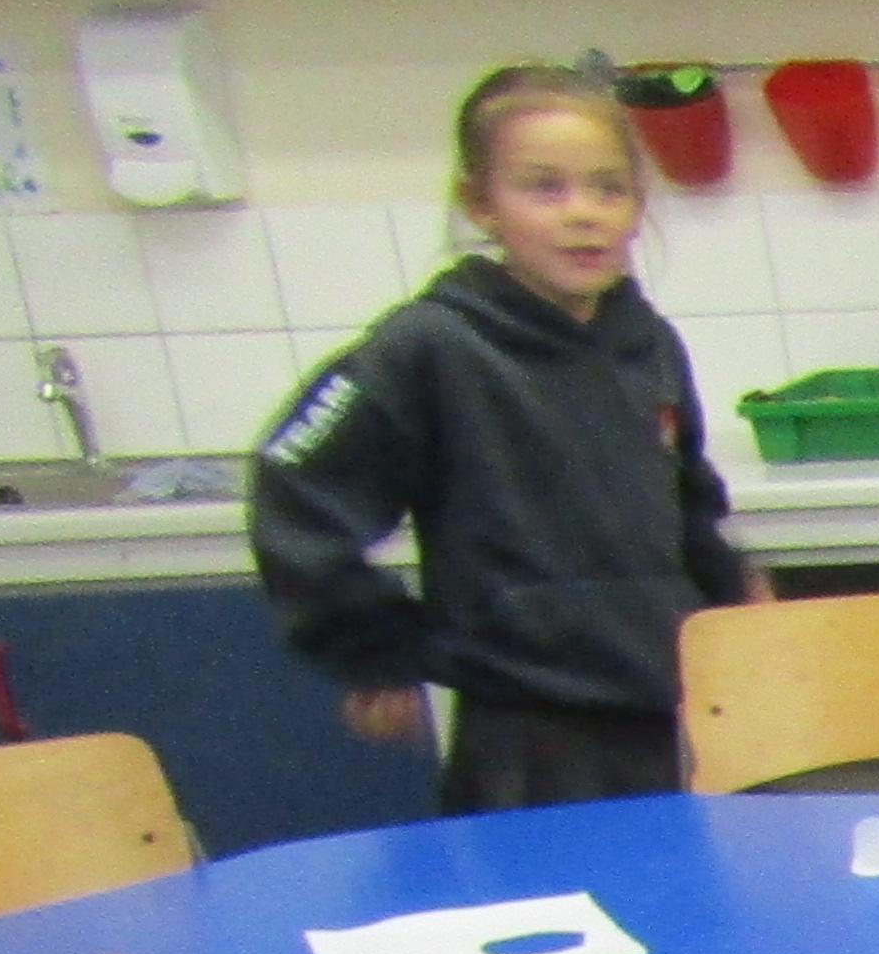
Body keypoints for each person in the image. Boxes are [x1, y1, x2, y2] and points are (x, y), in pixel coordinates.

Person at [252, 61, 754, 820]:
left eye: (608, 188)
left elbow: (689, 507)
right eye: (544, 188)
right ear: (480, 204)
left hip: (671, 712)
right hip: (523, 732)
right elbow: (295, 487)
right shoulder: (432, 345)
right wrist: (373, 650)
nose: (582, 213)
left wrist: (737, 607)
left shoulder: (648, 345)